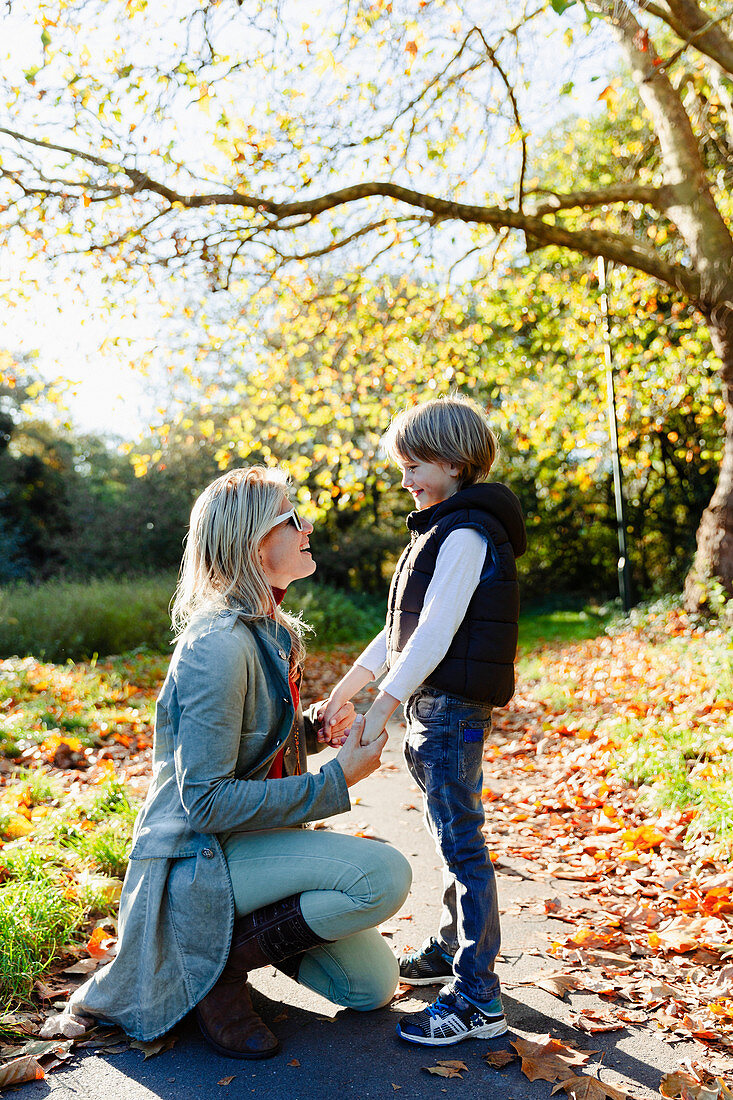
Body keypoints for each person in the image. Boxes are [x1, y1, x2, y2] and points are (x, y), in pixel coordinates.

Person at [64, 466, 412, 1059]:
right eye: (292, 519)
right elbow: (203, 801)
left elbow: (251, 745)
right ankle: (217, 975)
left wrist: (314, 733)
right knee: (383, 875)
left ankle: (225, 950)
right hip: (199, 857)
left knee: (369, 986)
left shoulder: (268, 630)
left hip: (253, 842)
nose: (307, 529)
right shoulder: (218, 645)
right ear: (255, 541)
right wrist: (336, 782)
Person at [322, 395, 526, 1047]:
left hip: (449, 710)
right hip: (434, 708)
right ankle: (446, 951)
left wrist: (383, 704)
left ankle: (477, 998)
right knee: (447, 833)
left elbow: (433, 635)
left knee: (460, 841)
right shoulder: (439, 527)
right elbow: (397, 632)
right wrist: (348, 688)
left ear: (454, 461)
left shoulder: (464, 534)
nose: (405, 479)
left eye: (414, 465)